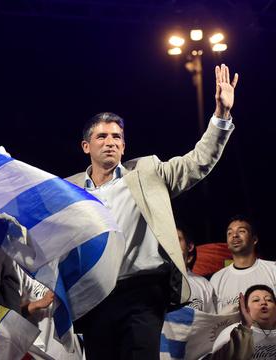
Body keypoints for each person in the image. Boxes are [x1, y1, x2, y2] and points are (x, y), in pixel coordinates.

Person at [66, 64, 238, 359]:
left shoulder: (147, 172)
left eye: (117, 137)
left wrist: (221, 116)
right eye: (102, 137)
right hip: (95, 294)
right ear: (86, 146)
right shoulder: (68, 189)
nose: (111, 142)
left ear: (124, 145)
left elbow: (198, 162)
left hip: (142, 291)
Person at [210, 216, 276, 314]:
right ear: (227, 243)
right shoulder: (217, 279)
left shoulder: (273, 270)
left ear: (254, 239)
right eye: (229, 233)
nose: (234, 235)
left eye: (241, 231)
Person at [210, 284, 276, 359]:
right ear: (246, 308)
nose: (263, 302)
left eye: (269, 300)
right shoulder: (231, 333)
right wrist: (245, 328)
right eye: (256, 300)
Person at [178, 226, 217, 313]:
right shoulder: (152, 281)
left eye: (177, 239)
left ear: (190, 246)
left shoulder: (204, 285)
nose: (172, 244)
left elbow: (212, 323)